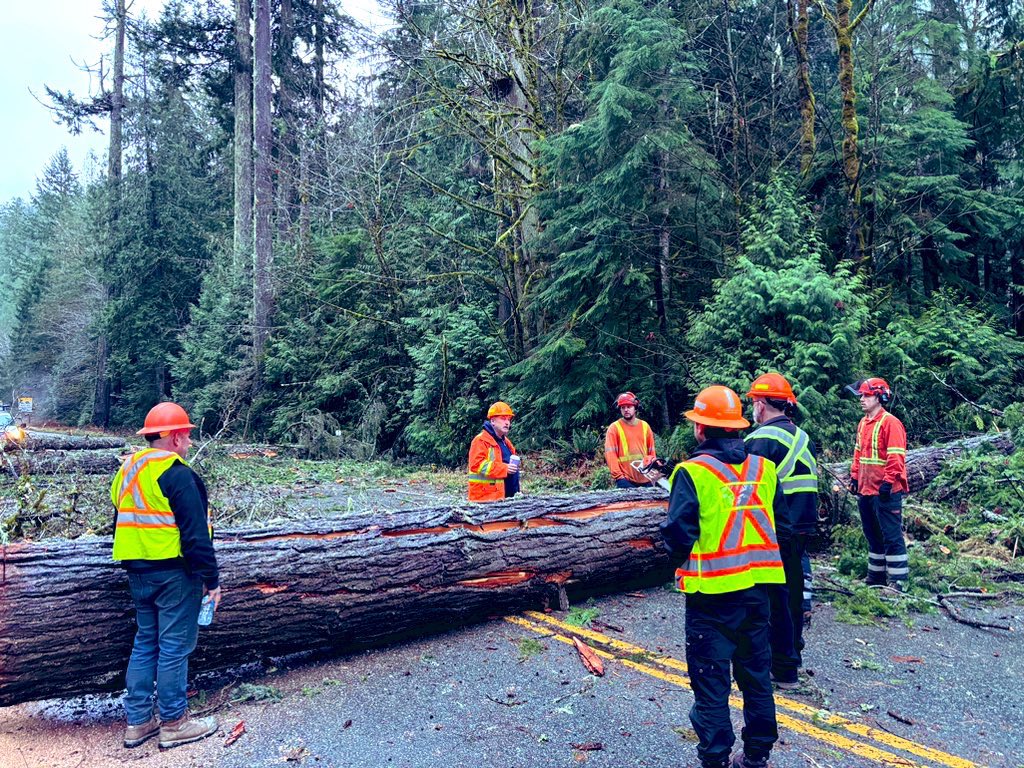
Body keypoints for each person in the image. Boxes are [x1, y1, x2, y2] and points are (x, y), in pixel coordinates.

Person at [660, 386, 789, 768]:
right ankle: (756, 756)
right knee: (756, 677)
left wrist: (672, 555)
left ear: (701, 428)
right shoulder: (763, 469)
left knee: (711, 685)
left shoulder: (692, 472)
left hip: (711, 597)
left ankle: (715, 759)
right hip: (758, 594)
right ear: (735, 427)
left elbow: (678, 534)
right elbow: (781, 524)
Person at [112, 402, 220, 750]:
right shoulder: (178, 474)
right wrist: (212, 580)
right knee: (174, 647)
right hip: (175, 573)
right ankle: (174, 722)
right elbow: (195, 535)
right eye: (186, 435)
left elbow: (119, 513)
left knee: (145, 643)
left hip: (137, 571)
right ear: (174, 438)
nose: (189, 441)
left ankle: (138, 722)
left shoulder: (127, 469)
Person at [744, 372, 818, 690]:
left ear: (761, 405)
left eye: (753, 403)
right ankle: (790, 659)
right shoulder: (799, 435)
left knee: (772, 598)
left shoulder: (760, 440)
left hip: (775, 527)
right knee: (791, 594)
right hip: (801, 524)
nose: (752, 410)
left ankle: (781, 665)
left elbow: (745, 488)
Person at [847, 378, 909, 589]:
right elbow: (858, 454)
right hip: (866, 488)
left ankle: (898, 580)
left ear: (879, 397)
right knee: (872, 534)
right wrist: (854, 477)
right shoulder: (863, 423)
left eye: (866, 395)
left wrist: (888, 482)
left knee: (891, 535)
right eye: (861, 396)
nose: (862, 400)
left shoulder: (890, 423)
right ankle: (876, 577)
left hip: (886, 490)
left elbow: (896, 457)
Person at [467, 401, 521, 502]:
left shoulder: (506, 442)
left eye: (509, 419)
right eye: (503, 418)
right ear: (492, 421)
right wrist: (504, 469)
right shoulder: (480, 440)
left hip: (506, 498)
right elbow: (477, 465)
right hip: (486, 500)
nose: (507, 422)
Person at [604, 392, 659, 488]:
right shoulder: (614, 428)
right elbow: (610, 455)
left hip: (647, 478)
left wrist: (654, 470)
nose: (626, 410)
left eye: (629, 407)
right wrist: (619, 477)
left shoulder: (645, 426)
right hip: (626, 479)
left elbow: (651, 453)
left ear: (635, 407)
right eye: (623, 407)